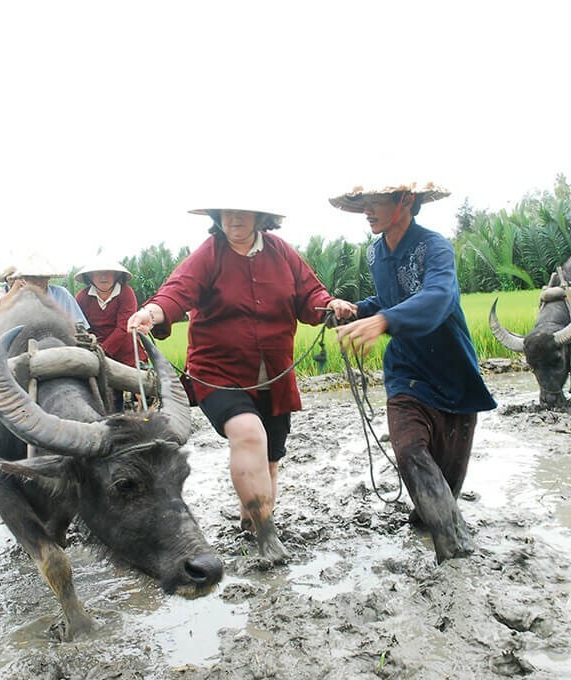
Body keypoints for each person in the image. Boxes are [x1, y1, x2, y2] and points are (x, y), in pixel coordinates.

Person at [127, 205, 356, 563]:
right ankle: (267, 534)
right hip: (219, 371)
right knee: (248, 434)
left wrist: (330, 305)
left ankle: (253, 519)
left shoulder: (281, 253)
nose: (234, 220)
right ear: (217, 218)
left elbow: (311, 295)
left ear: (261, 219)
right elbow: (177, 292)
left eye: (244, 214)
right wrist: (150, 313)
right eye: (227, 213)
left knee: (270, 459)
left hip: (274, 375)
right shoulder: (209, 254)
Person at [329, 182, 497, 563]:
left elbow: (438, 297)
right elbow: (390, 300)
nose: (367, 211)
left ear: (405, 200)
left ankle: (429, 520)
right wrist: (359, 311)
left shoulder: (434, 247)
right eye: (363, 204)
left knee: (445, 487)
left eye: (375, 202)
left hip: (451, 373)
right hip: (406, 372)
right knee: (409, 450)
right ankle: (456, 554)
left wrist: (385, 320)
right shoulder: (375, 253)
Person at [75, 258, 147, 410]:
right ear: (90, 277)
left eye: (108, 273)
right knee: (110, 398)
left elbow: (124, 326)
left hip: (127, 351)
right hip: (98, 352)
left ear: (116, 275)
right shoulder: (82, 297)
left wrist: (103, 351)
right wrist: (94, 352)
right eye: (98, 273)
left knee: (144, 392)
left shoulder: (126, 293)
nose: (103, 277)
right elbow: (81, 327)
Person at [4, 253, 88, 327]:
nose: (38, 282)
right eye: (33, 277)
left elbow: (79, 324)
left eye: (42, 277)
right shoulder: (17, 298)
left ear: (48, 277)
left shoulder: (62, 294)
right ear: (25, 279)